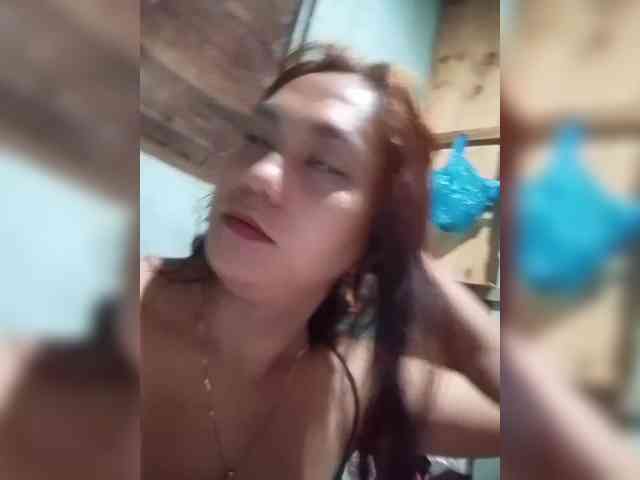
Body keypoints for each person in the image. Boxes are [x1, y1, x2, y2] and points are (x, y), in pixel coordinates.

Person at [141, 44, 500, 480]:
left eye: (325, 164)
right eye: (257, 138)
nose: (258, 175)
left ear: (373, 233)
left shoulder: (354, 385)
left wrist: (422, 275)